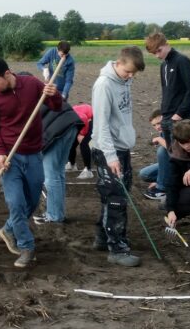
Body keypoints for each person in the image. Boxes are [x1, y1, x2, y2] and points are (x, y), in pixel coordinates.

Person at [0, 57, 62, 269]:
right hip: (10, 158)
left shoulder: (32, 84)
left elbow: (55, 106)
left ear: (7, 74)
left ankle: (8, 229)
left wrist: (54, 95)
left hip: (34, 154)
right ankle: (27, 247)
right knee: (16, 203)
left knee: (32, 202)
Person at [90, 46, 146, 267]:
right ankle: (118, 249)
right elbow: (101, 125)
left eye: (134, 74)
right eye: (128, 72)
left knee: (115, 194)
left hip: (121, 148)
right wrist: (111, 156)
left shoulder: (124, 81)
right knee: (116, 198)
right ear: (119, 63)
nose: (131, 77)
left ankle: (103, 238)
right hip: (107, 149)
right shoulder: (104, 85)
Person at [143, 32, 190, 199]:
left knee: (179, 156)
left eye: (159, 51)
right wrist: (164, 115)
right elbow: (167, 92)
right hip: (166, 118)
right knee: (169, 154)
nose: (157, 55)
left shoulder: (182, 61)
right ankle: (165, 185)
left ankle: (169, 189)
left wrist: (178, 115)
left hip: (179, 120)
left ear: (166, 44)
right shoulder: (164, 66)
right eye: (154, 54)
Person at [34, 100, 83, 224]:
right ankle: (57, 214)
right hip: (70, 124)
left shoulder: (18, 98)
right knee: (58, 172)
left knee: (51, 176)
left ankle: (54, 215)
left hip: (58, 129)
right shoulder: (31, 87)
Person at [137, 110, 171, 198]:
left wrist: (159, 140)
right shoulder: (162, 133)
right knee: (144, 174)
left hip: (181, 165)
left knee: (162, 151)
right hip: (170, 165)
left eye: (159, 123)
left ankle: (162, 189)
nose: (157, 127)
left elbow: (174, 150)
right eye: (154, 125)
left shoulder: (172, 130)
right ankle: (162, 181)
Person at [70, 103, 94, 179]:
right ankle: (72, 164)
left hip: (91, 118)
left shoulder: (70, 116)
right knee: (71, 142)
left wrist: (82, 133)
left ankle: (88, 170)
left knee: (84, 144)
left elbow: (83, 118)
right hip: (82, 119)